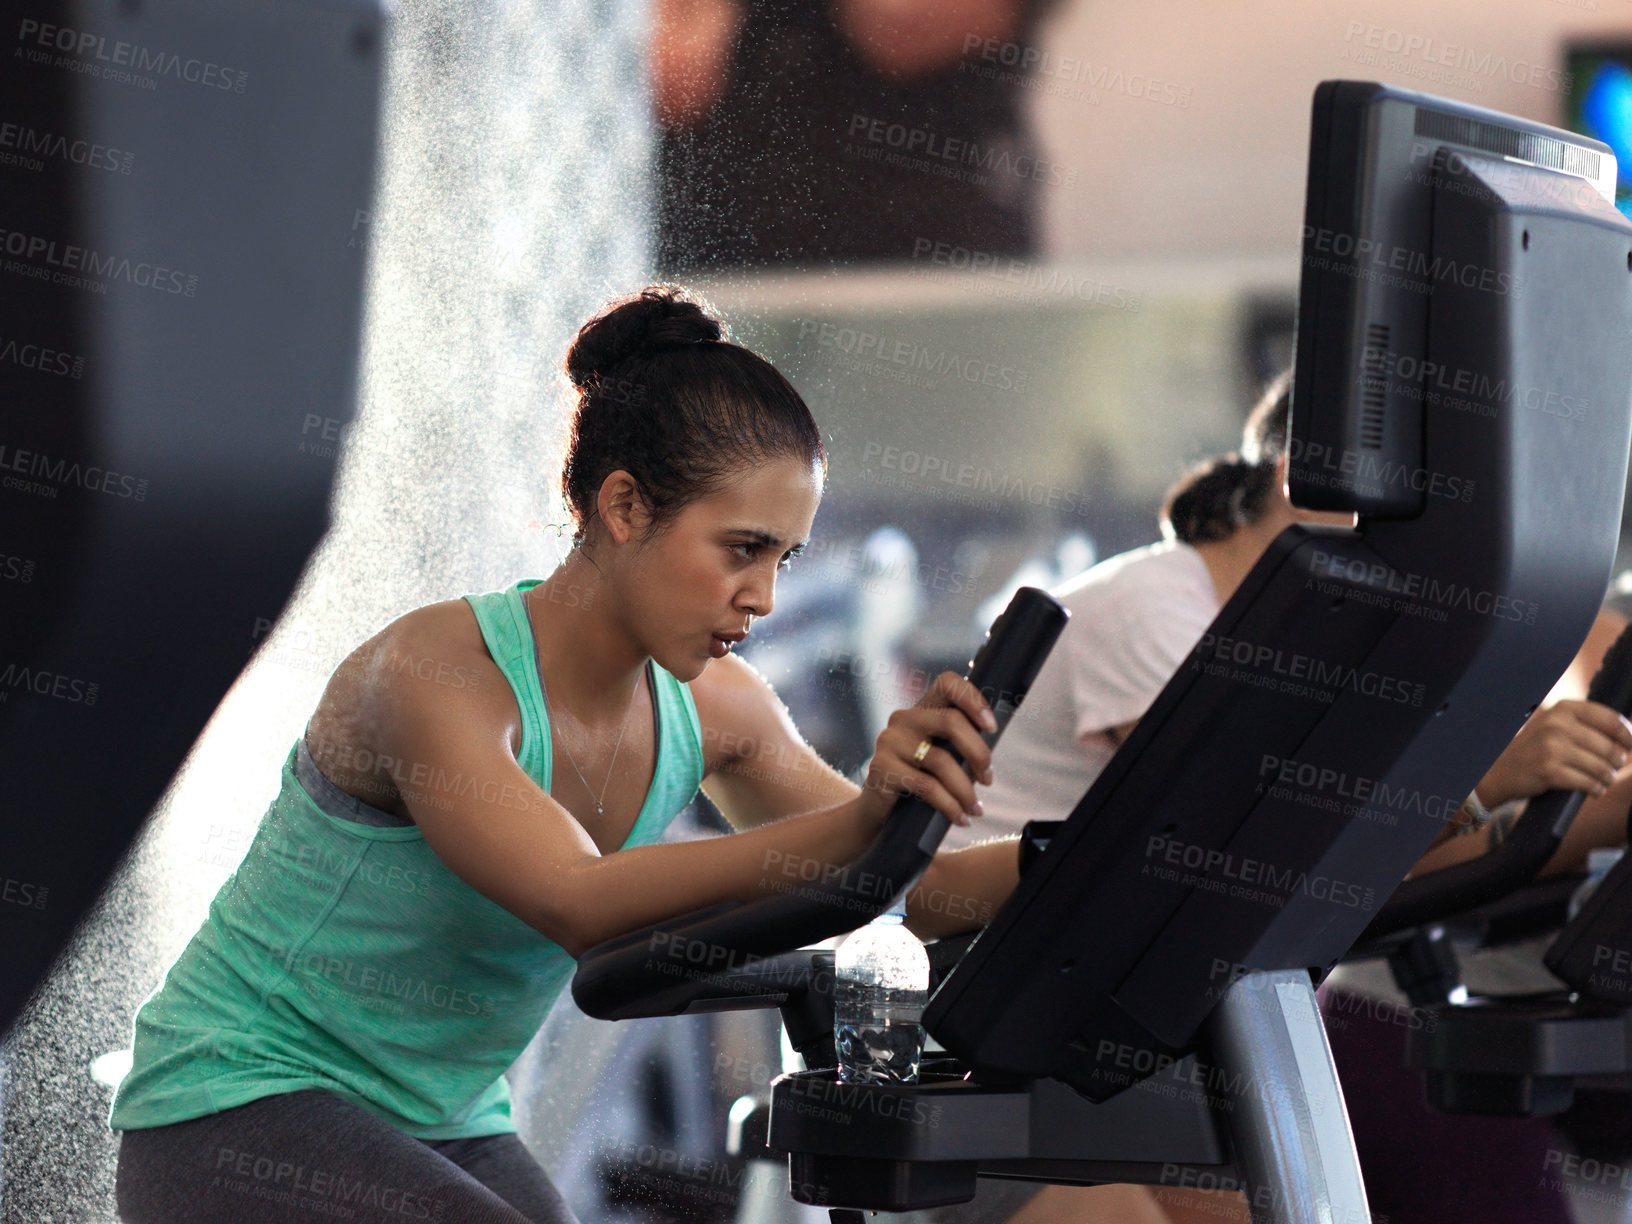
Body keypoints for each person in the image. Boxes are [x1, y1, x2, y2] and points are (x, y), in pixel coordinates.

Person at [106, 287, 1022, 1224]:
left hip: (444, 1117)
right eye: (742, 548)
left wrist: (1080, 855)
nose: (765, 599)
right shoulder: (436, 672)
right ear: (623, 505)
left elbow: (914, 891)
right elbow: (578, 901)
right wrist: (863, 821)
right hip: (239, 1100)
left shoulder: (721, 709)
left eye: (782, 559)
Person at [937, 370, 1632, 1224]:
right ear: (1301, 478)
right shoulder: (1158, 608)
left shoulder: (1306, 644)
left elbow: (1334, 858)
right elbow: (1241, 855)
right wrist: (1483, 784)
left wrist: (1499, 794)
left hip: (1142, 1018)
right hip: (1000, 1020)